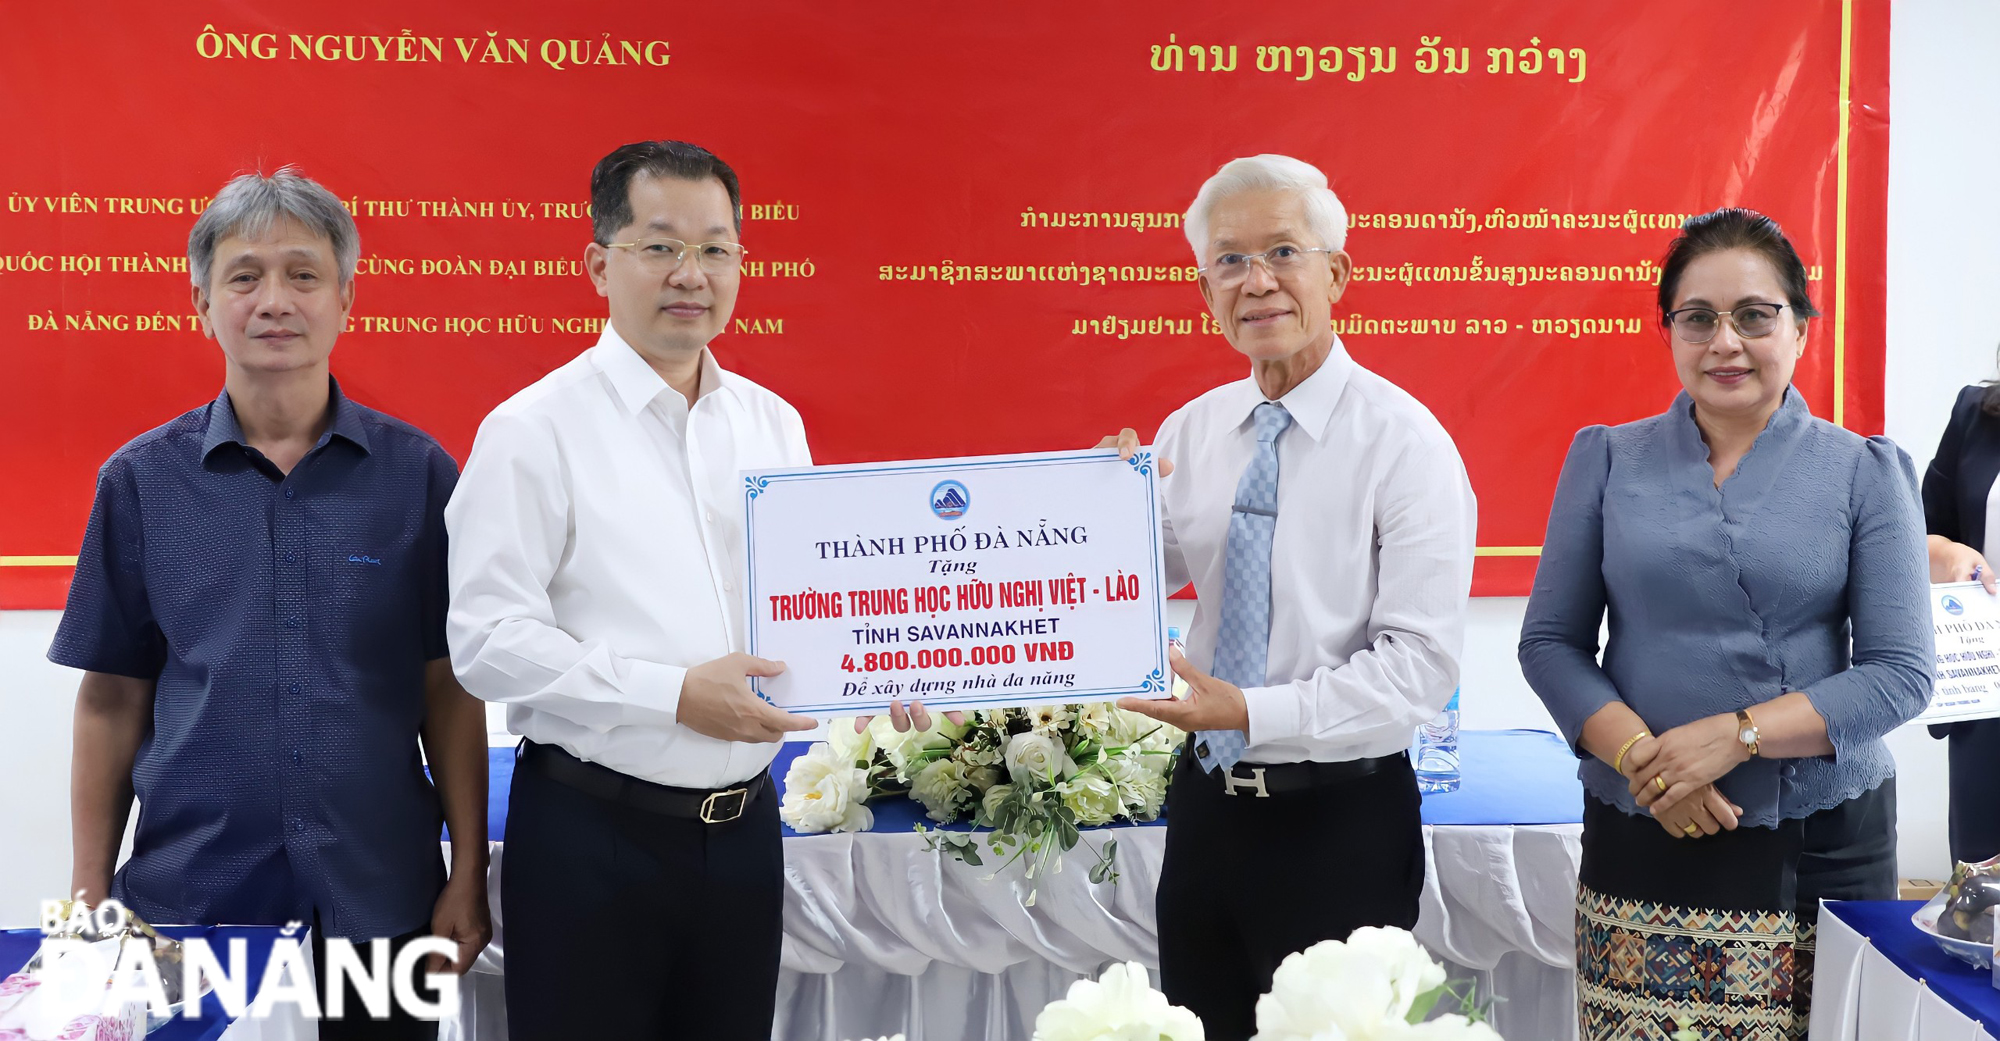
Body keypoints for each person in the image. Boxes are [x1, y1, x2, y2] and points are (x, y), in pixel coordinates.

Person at [50, 169, 491, 1039]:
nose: (274, 299)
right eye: (244, 276)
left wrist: (465, 870)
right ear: (202, 304)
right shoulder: (140, 482)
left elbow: (451, 687)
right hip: (189, 900)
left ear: (345, 298)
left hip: (381, 896)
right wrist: (89, 894)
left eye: (303, 273)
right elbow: (110, 698)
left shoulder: (419, 475)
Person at [1518, 207, 1933, 1039]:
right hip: (1642, 820)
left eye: (1754, 314)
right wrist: (1648, 761)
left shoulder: (1864, 471)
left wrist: (1735, 736)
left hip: (1819, 839)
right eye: (1697, 318)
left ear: (1801, 329)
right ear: (1669, 332)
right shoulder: (1606, 457)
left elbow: (1899, 673)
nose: (1725, 342)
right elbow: (1551, 643)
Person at [445, 140, 820, 1040]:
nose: (692, 274)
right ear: (599, 265)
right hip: (591, 836)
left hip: (744, 837)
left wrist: (878, 675)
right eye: (660, 246)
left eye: (716, 249)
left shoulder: (774, 424)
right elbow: (486, 640)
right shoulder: (533, 429)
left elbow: (813, 606)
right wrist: (675, 695)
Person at [1106, 154, 1477, 1041]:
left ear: (1337, 274)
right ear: (1206, 292)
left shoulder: (1407, 444)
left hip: (1341, 824)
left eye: (1283, 251)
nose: (1257, 281)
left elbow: (1420, 670)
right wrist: (1099, 512)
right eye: (1229, 262)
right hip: (1204, 814)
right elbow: (1128, 583)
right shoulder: (1189, 432)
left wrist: (1250, 708)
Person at [1919, 366, 2000, 865]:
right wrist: (1949, 554)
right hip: (1989, 692)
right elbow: (1916, 535)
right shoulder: (1977, 413)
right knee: (1981, 905)